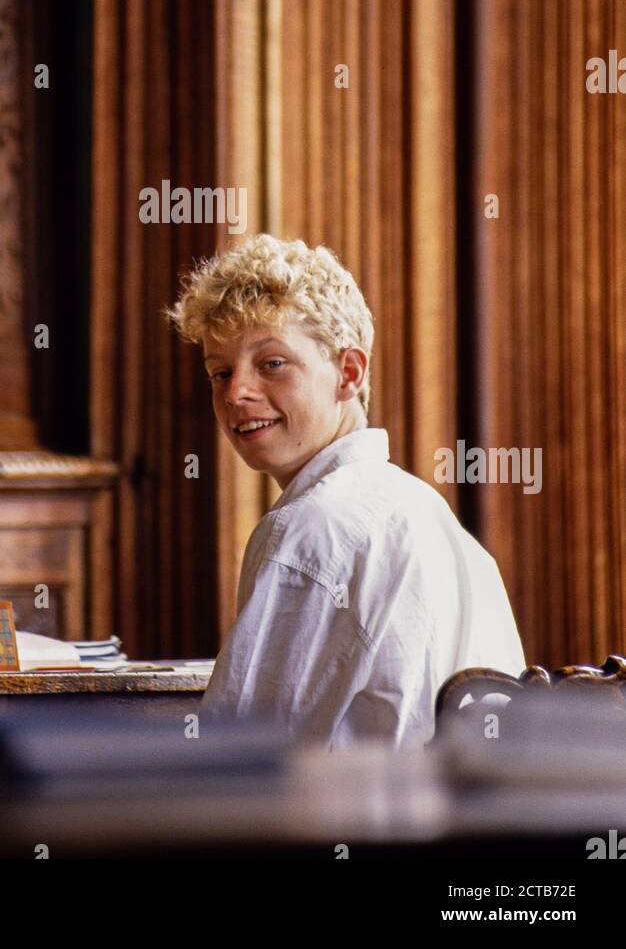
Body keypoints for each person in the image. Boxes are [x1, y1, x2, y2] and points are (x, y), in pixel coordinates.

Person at [164, 232, 526, 748]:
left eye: (271, 363)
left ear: (348, 373)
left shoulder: (312, 527)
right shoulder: (435, 517)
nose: (236, 393)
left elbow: (236, 761)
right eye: (219, 372)